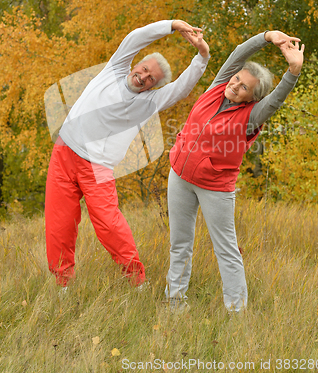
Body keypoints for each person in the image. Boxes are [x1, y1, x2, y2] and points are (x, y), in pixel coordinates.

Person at [45, 20, 210, 287]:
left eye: (151, 79)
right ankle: (62, 283)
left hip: (97, 167)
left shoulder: (147, 102)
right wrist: (172, 25)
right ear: (137, 64)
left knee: (109, 225)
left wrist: (202, 56)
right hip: (63, 152)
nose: (144, 77)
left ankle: (136, 280)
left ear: (152, 86)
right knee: (58, 223)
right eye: (144, 69)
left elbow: (181, 89)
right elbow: (136, 37)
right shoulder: (114, 69)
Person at [165, 30, 305, 311]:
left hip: (214, 188)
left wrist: (293, 70)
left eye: (244, 87)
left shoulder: (252, 116)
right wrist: (267, 37)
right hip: (179, 176)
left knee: (226, 251)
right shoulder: (218, 85)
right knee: (179, 244)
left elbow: (276, 99)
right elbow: (238, 53)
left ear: (253, 98)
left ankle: (236, 314)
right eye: (237, 79)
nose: (235, 85)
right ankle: (175, 305)